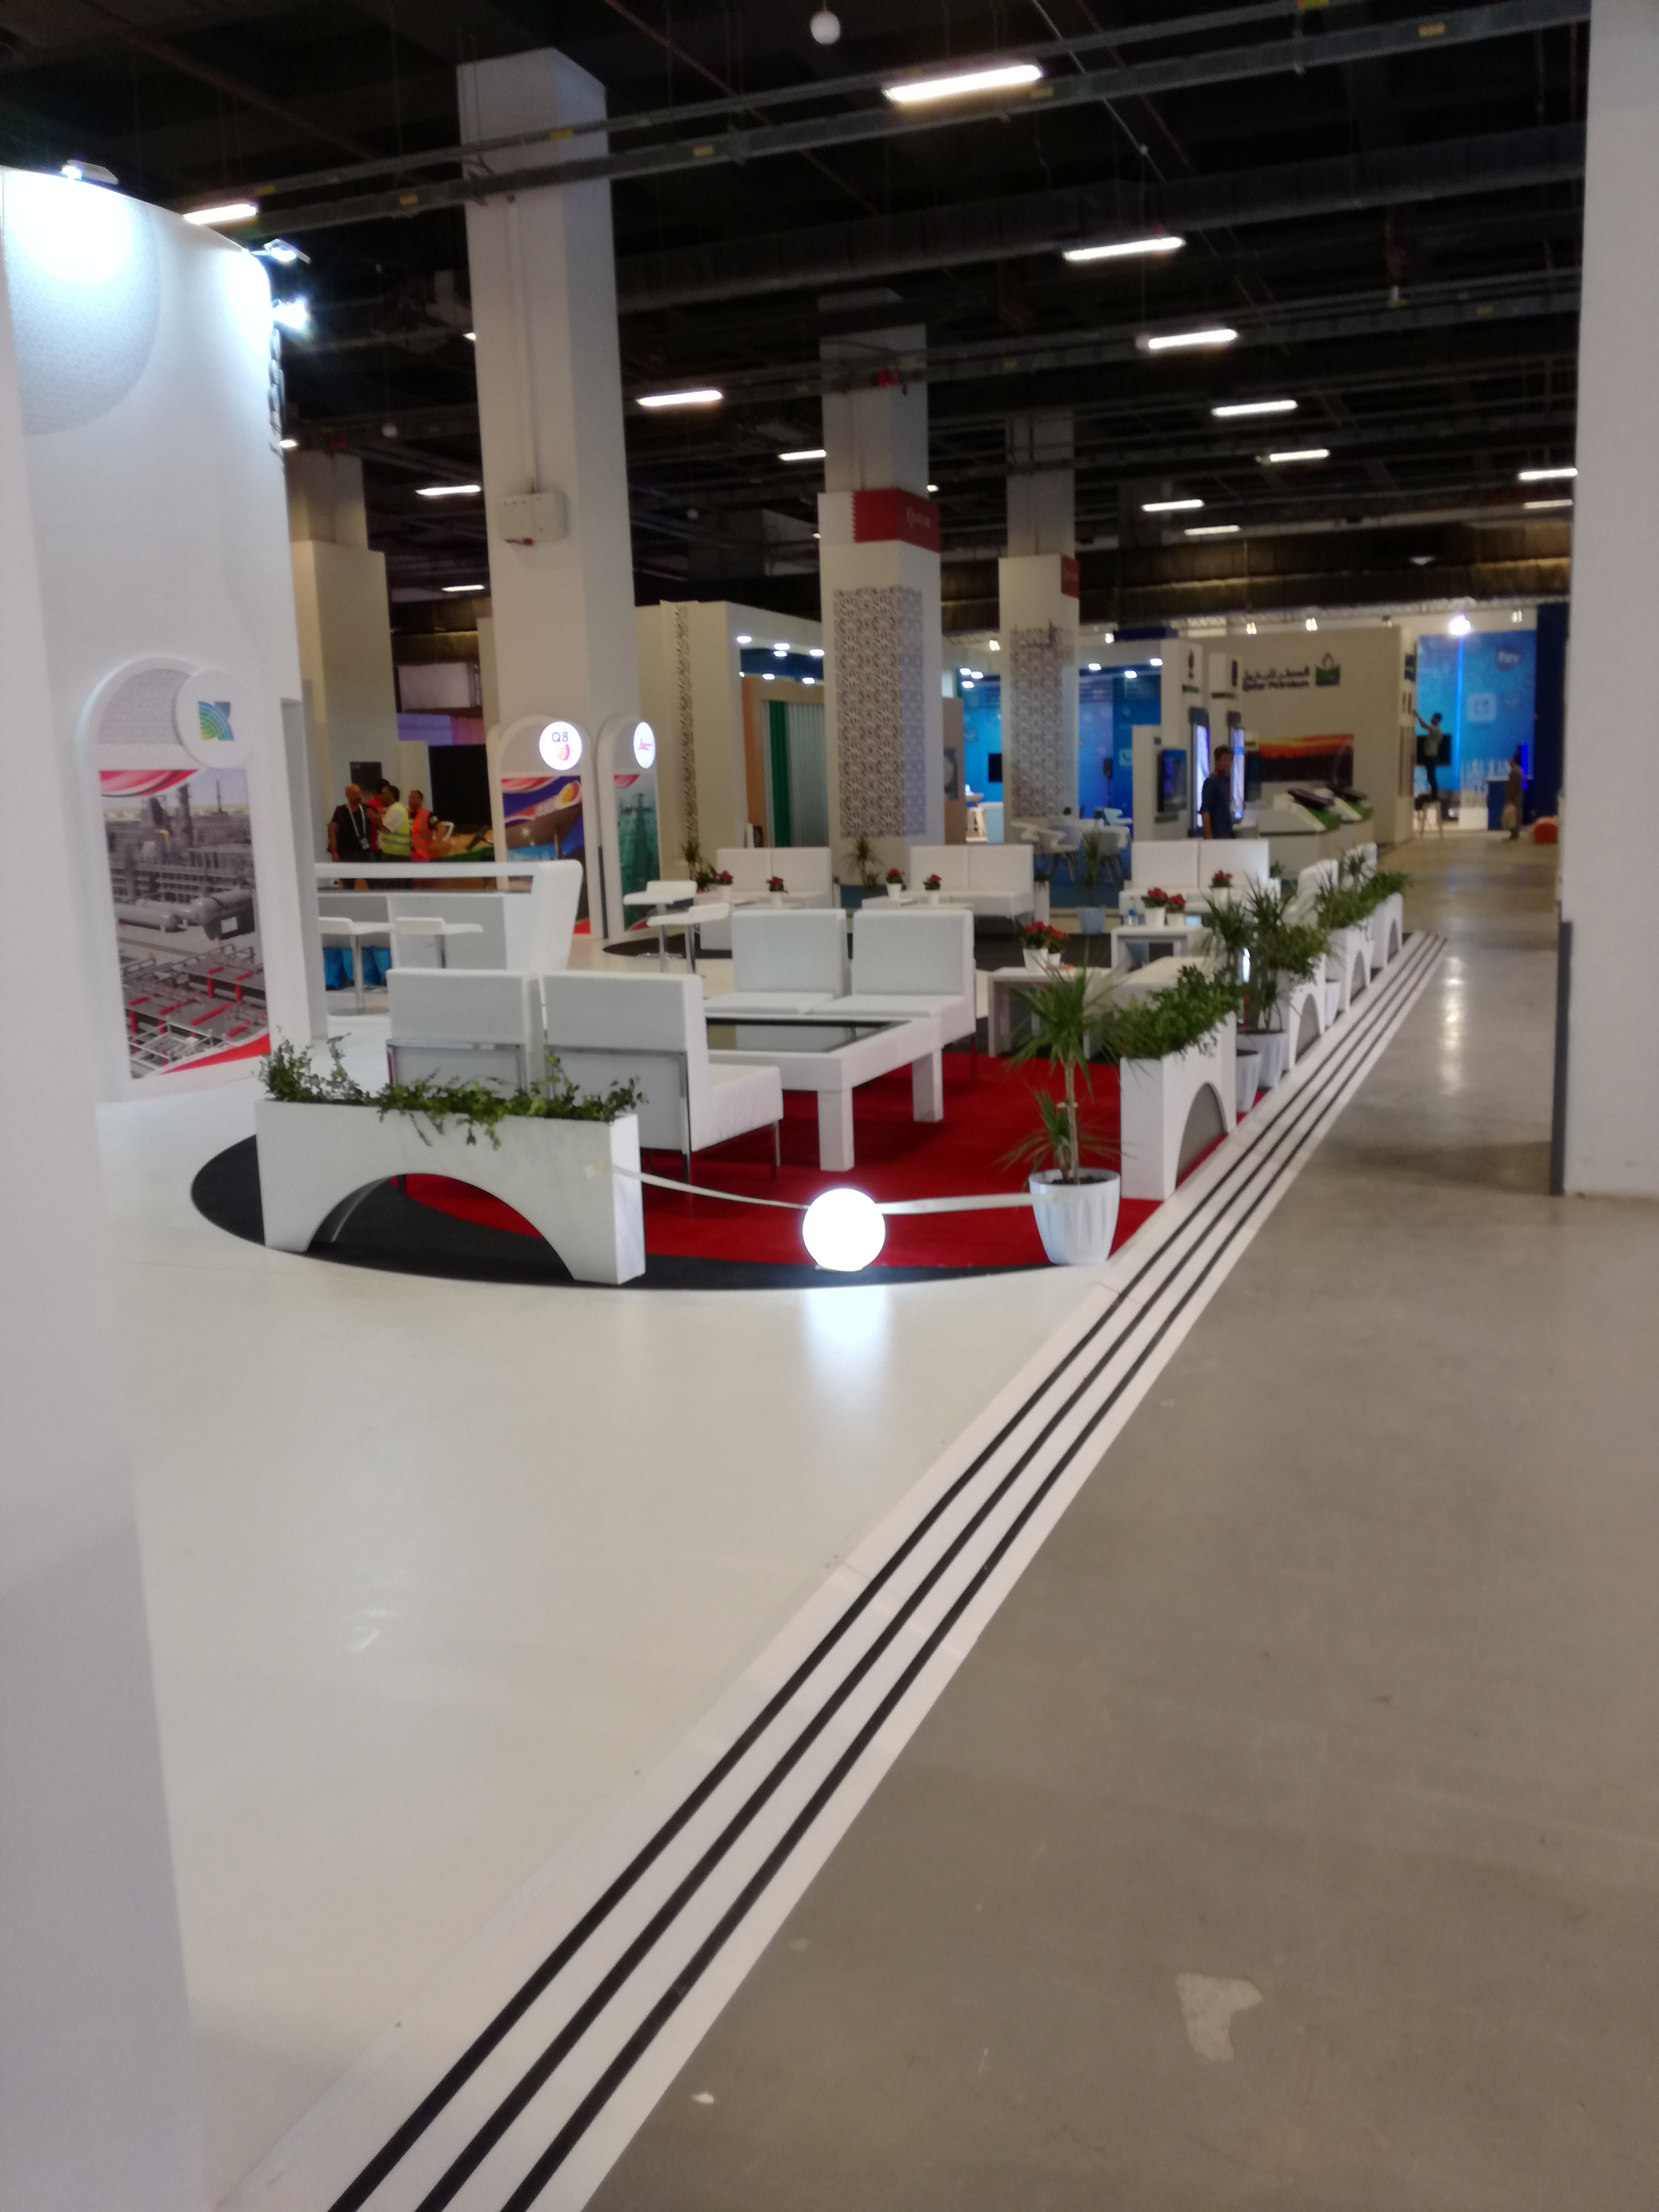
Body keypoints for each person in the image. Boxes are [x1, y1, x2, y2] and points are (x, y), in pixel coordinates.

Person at [326, 781, 372, 888]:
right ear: (348, 795)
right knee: (348, 882)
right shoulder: (340, 811)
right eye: (355, 794)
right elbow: (332, 831)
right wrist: (334, 851)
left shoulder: (367, 809)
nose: (359, 796)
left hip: (365, 851)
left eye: (359, 793)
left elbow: (379, 823)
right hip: (346, 853)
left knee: (373, 879)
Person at [376, 782, 411, 887]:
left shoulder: (396, 810)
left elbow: (384, 829)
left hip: (395, 855)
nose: (380, 797)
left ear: (390, 796)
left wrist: (374, 817)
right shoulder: (395, 809)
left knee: (392, 886)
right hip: (396, 854)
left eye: (383, 794)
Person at [1199, 741, 1235, 841]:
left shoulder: (1225, 782)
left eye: (1230, 760)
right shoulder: (1211, 783)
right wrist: (1209, 840)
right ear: (1217, 761)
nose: (1228, 763)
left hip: (1227, 835)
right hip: (1216, 837)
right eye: (1225, 759)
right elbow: (1205, 813)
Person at [407, 787, 435, 862]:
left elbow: (440, 829)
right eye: (409, 798)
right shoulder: (407, 814)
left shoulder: (428, 815)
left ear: (420, 800)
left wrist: (436, 844)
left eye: (413, 798)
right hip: (409, 854)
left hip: (422, 855)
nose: (410, 800)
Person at [1504, 748, 1524, 841]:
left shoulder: (1515, 771)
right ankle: (1515, 834)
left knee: (1514, 815)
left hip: (1515, 798)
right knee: (1517, 814)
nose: (1510, 760)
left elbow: (1512, 786)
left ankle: (1514, 834)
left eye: (1511, 758)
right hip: (1519, 797)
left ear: (1514, 760)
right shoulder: (1520, 770)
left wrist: (1509, 799)